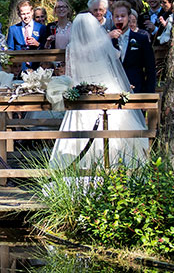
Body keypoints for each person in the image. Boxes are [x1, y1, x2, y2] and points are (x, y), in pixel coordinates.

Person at [50, 14, 149, 169]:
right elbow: (113, 68)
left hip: (83, 95)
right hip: (107, 91)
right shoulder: (103, 44)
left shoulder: (72, 48)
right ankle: (118, 167)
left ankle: (80, 167)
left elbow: (71, 76)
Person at [111, 0, 156, 93]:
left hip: (137, 89)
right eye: (117, 16)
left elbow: (150, 68)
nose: (119, 19)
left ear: (128, 17)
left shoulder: (141, 39)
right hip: (113, 90)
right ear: (112, 18)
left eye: (123, 16)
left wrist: (149, 95)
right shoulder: (109, 40)